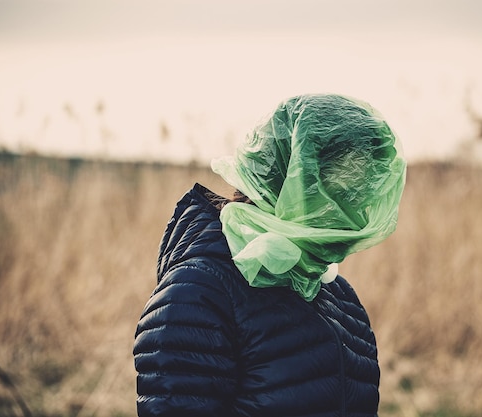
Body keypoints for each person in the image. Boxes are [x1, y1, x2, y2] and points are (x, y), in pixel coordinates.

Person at [133, 93, 407, 417]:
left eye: (362, 194)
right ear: (282, 180)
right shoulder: (198, 296)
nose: (356, 214)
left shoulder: (340, 296)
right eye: (339, 190)